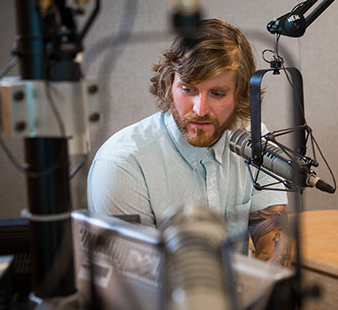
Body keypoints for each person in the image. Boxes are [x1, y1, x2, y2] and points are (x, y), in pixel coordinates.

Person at [87, 19, 291, 266]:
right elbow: (134, 281)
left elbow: (274, 241)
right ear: (169, 84)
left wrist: (260, 297)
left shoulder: (253, 142)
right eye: (188, 89)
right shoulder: (121, 165)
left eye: (217, 93)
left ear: (240, 94)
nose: (200, 109)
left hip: (242, 298)